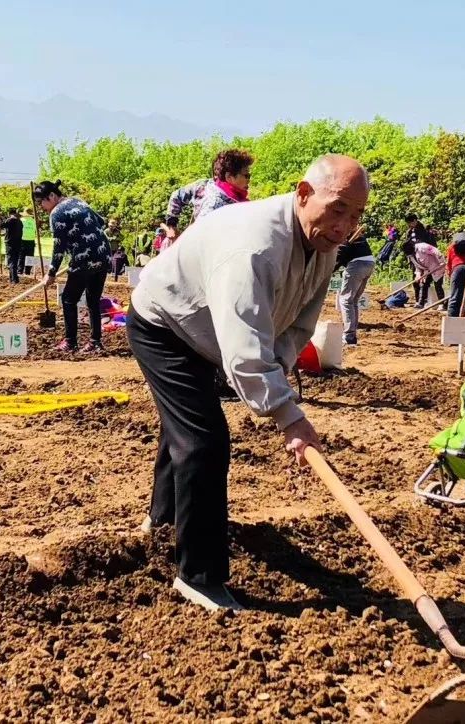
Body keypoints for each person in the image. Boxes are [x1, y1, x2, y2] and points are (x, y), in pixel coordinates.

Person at [127, 154, 369, 611]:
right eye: (337, 209)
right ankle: (198, 577)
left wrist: (276, 376)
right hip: (164, 323)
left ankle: (162, 524)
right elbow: (242, 349)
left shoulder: (324, 246)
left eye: (355, 216)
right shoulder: (254, 247)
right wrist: (287, 415)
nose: (344, 226)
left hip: (207, 333)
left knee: (185, 429)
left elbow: (296, 326)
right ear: (303, 194)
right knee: (204, 440)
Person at [33, 180, 112, 353]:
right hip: (104, 255)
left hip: (84, 259)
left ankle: (70, 342)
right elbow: (101, 221)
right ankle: (95, 342)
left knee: (68, 299)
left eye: (42, 202)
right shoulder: (78, 201)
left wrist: (51, 272)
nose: (41, 207)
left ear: (52, 196)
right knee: (93, 300)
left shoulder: (56, 213)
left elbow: (58, 245)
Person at [163, 149, 253, 241]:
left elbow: (177, 195)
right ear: (229, 176)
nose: (249, 179)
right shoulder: (214, 205)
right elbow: (176, 196)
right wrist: (171, 225)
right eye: (246, 176)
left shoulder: (205, 184)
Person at [335, 230, 375, 345]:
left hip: (357, 264)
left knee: (346, 300)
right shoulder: (352, 232)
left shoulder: (341, 233)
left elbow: (340, 256)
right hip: (369, 263)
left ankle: (349, 336)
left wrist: (331, 270)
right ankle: (352, 335)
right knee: (353, 300)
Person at [400, 213, 437, 307]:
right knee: (416, 279)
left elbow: (431, 246)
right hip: (414, 259)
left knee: (425, 280)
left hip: (425, 259)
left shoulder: (425, 231)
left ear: (415, 221)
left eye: (410, 222)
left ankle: (422, 301)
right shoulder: (409, 232)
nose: (409, 225)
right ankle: (418, 300)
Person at [412, 238, 447, 309]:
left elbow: (436, 251)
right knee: (423, 284)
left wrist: (441, 261)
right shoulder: (412, 255)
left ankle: (441, 304)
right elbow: (417, 266)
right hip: (427, 270)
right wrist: (418, 275)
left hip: (437, 268)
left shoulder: (423, 246)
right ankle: (421, 303)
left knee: (438, 285)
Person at [0, 208, 23, 284]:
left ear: (9, 214)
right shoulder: (19, 221)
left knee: (11, 261)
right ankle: (14, 278)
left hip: (10, 244)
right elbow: (12, 230)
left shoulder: (11, 220)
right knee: (15, 261)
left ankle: (13, 279)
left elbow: (1, 225)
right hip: (18, 243)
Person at [18, 209, 37, 276]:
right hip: (30, 240)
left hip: (23, 240)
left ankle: (20, 271)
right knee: (29, 256)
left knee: (21, 256)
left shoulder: (21, 220)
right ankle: (27, 272)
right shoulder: (33, 221)